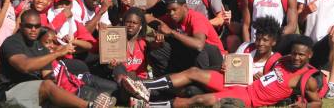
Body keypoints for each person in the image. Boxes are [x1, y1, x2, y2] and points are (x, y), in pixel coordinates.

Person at [123, 35, 322, 108]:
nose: (296, 57)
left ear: (310, 55)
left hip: (248, 99)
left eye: (301, 56)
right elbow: (268, 76)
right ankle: (143, 85)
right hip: (243, 83)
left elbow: (317, 101)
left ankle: (150, 105)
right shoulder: (282, 59)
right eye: (294, 53)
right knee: (194, 71)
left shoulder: (307, 78)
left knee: (200, 101)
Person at [0, 9, 115, 107]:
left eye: (37, 26)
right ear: (20, 26)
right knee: (47, 86)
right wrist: (57, 54)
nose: (33, 30)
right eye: (29, 26)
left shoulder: (40, 48)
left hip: (33, 93)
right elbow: (24, 66)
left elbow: (49, 76)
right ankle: (90, 106)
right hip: (9, 92)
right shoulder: (13, 42)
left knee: (55, 93)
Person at [146, 0, 225, 77]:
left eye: (174, 9)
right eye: (169, 11)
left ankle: (200, 82)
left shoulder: (196, 18)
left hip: (214, 60)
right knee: (157, 48)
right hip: (192, 57)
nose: (172, 14)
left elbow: (199, 45)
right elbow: (147, 17)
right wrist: (160, 28)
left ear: (184, 7)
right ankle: (166, 80)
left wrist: (171, 32)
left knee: (196, 48)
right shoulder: (172, 17)